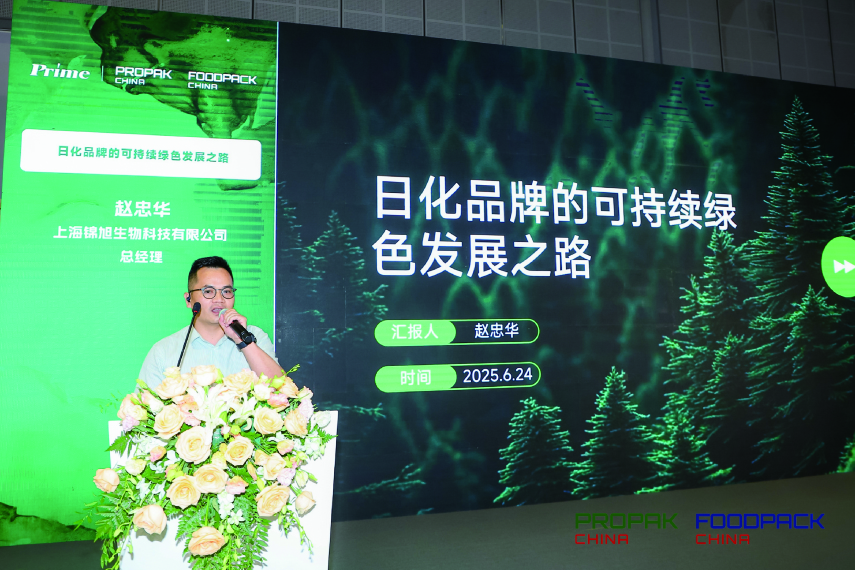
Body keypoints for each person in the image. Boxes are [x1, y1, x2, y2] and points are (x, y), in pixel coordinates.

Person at [139, 256, 283, 389]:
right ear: (188, 300)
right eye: (208, 291)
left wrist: (243, 341)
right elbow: (143, 404)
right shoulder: (164, 351)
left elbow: (281, 389)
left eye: (226, 291)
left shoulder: (254, 337)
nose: (219, 299)